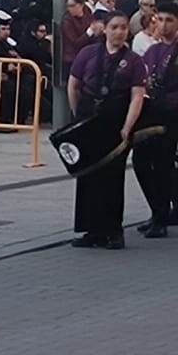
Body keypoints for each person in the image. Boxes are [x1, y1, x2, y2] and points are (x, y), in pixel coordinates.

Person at [67, 14, 147, 250]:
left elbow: (137, 96)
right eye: (114, 27)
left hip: (115, 122)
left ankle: (113, 231)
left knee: (112, 177)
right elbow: (74, 85)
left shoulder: (133, 60)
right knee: (88, 176)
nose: (119, 32)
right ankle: (91, 230)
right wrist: (78, 116)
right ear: (105, 30)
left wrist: (127, 126)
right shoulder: (88, 53)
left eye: (123, 28)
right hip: (89, 119)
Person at [135, 3, 178, 238]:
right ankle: (156, 209)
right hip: (150, 109)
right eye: (159, 19)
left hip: (170, 111)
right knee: (141, 161)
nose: (163, 25)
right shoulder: (152, 50)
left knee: (163, 165)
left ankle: (161, 218)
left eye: (169, 20)